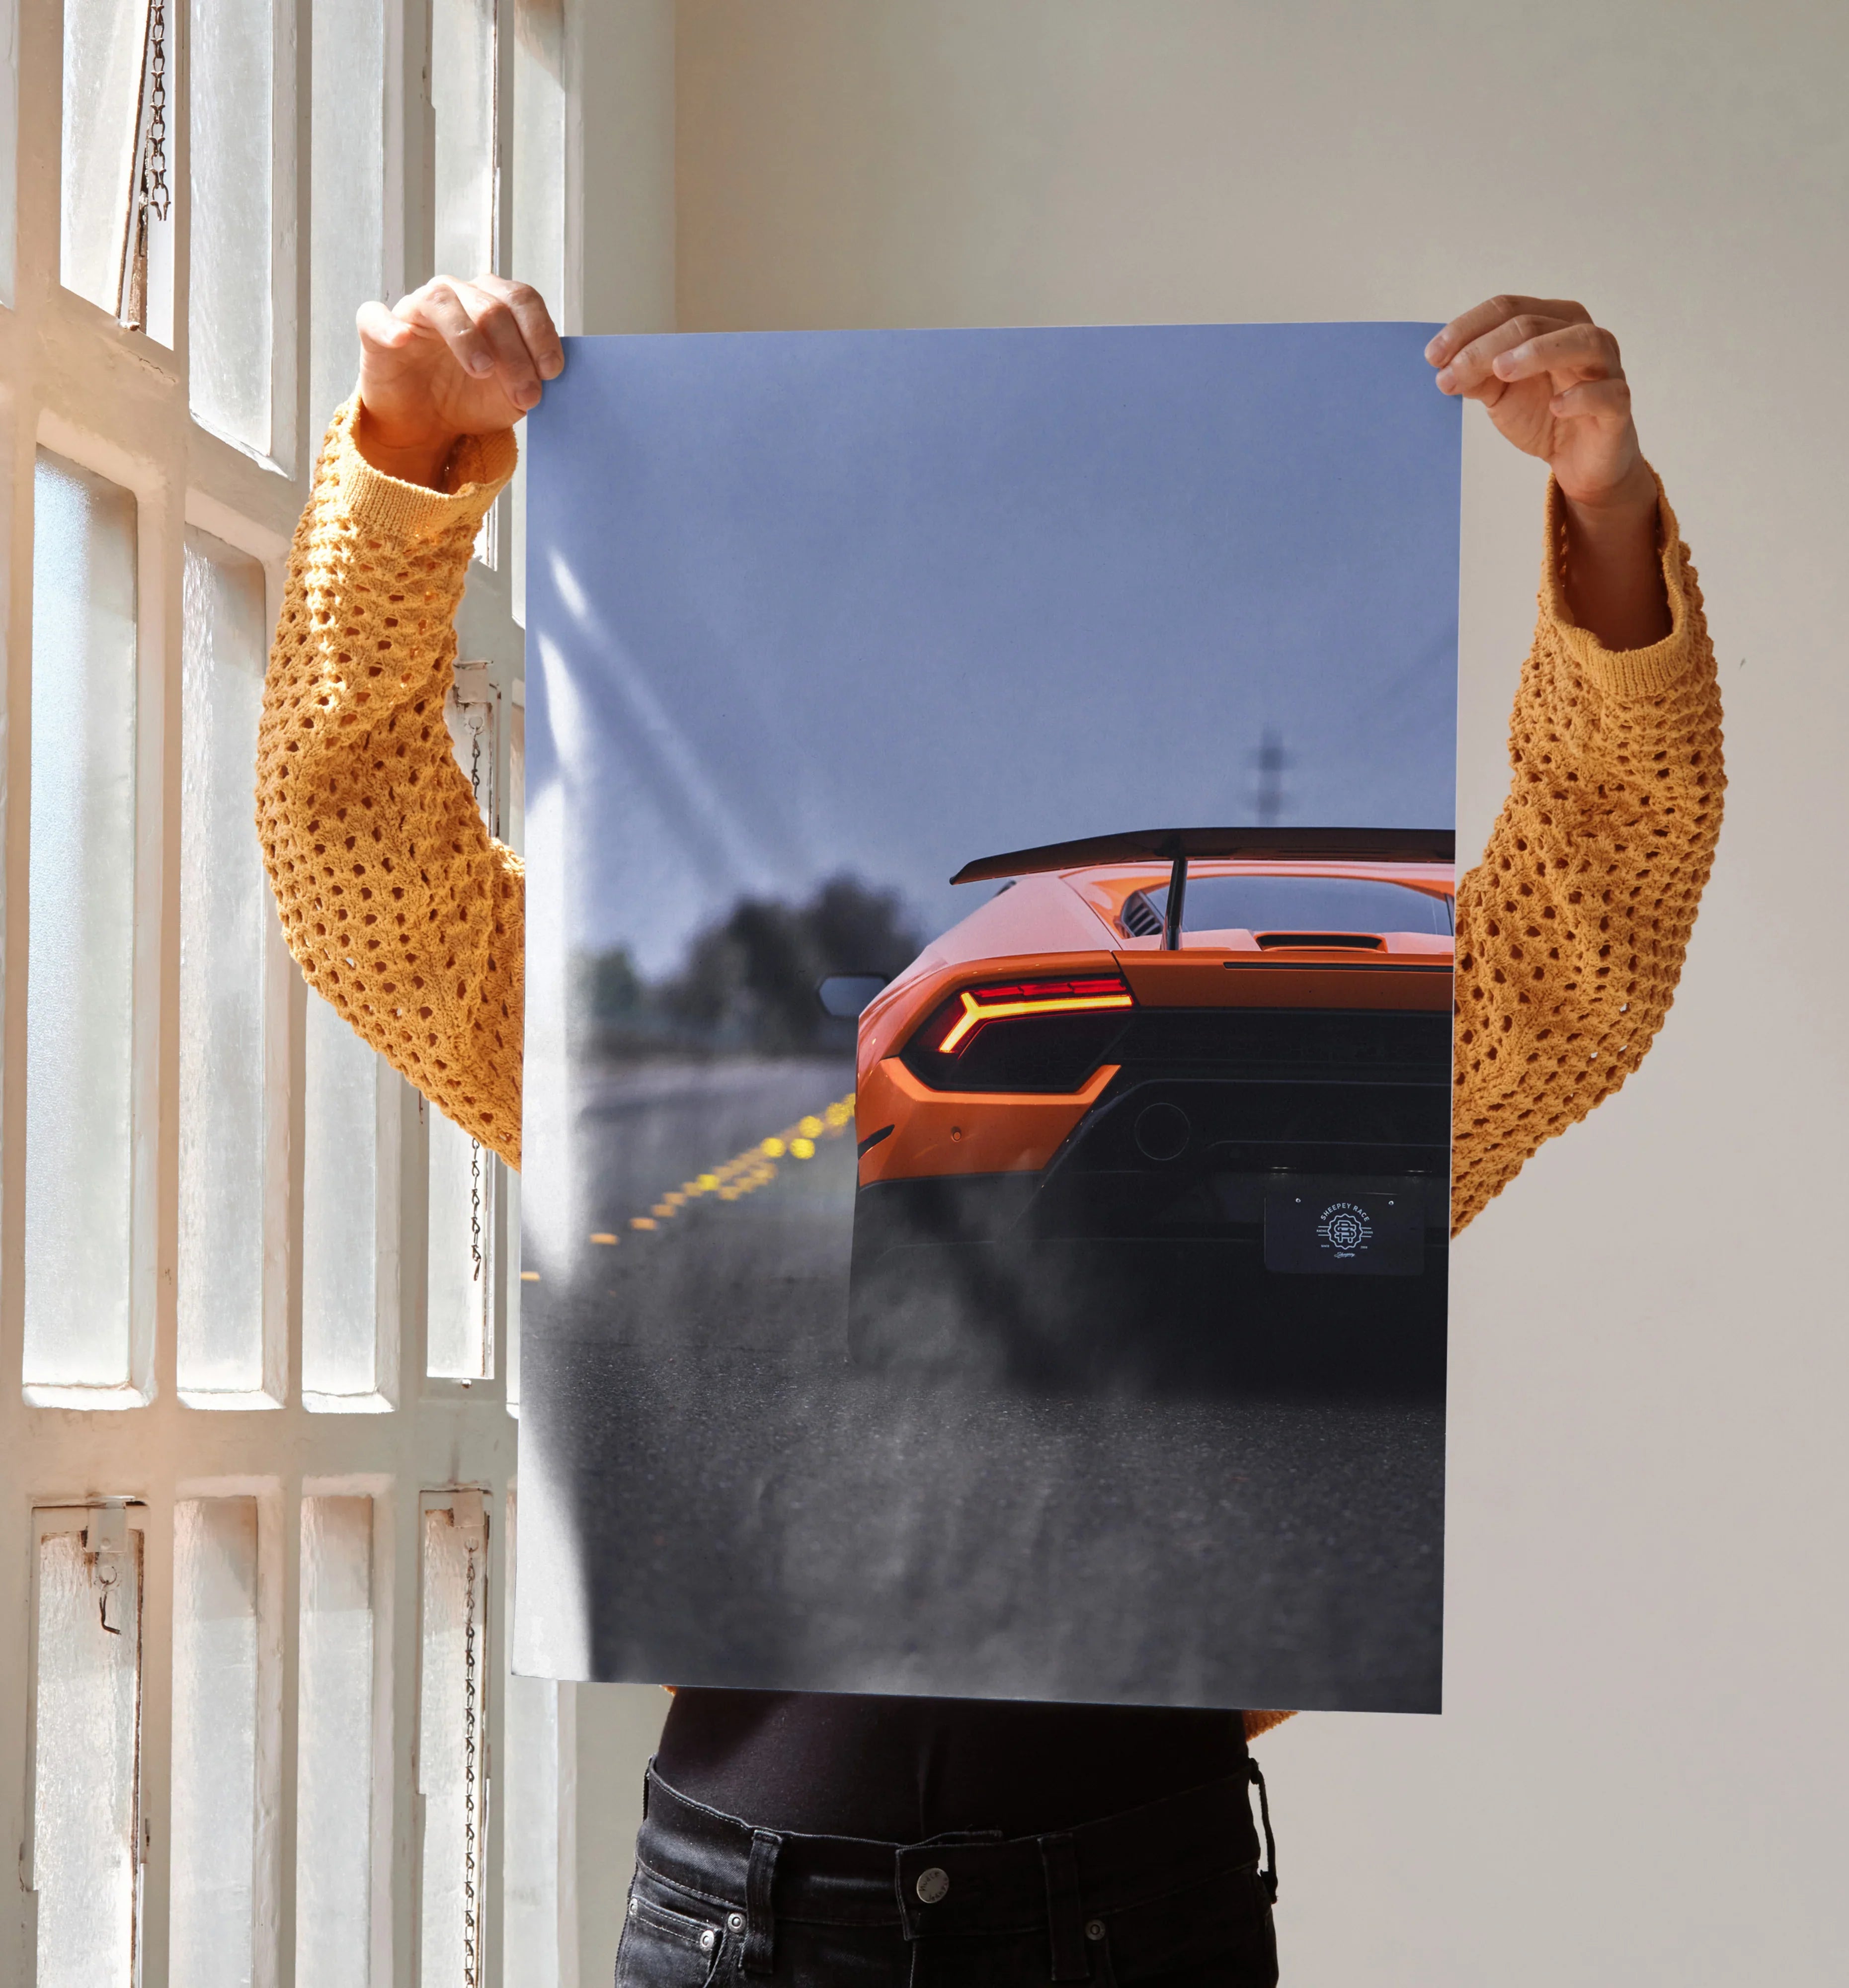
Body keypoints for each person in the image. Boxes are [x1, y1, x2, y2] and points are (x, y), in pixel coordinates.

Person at [257, 279, 1723, 1986]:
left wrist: (1605, 513)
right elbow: (359, 866)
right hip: (752, 1915)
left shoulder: (1288, 1071)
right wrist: (405, 458)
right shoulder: (690, 1063)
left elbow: (1588, 936)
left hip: (1131, 1903)